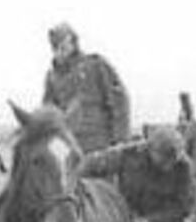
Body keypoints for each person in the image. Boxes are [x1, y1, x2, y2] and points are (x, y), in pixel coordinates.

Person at [41, 22, 131, 153]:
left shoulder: (96, 65)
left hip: (102, 147)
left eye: (64, 43)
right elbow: (48, 113)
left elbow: (120, 102)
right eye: (55, 46)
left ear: (73, 42)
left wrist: (120, 141)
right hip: (71, 150)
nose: (60, 49)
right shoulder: (52, 77)